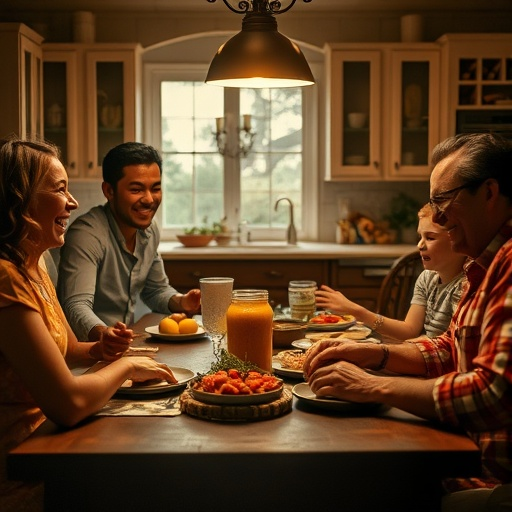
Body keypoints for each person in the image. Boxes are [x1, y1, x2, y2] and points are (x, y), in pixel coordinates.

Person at [304, 132, 512, 511]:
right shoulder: (483, 263)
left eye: (443, 200)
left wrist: (374, 386)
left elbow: (492, 394)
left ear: (489, 192)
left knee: (344, 484)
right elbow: (450, 347)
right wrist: (375, 355)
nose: (440, 216)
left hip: (491, 476)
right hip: (463, 449)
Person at [0, 137, 177, 511]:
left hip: (50, 439)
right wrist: (127, 363)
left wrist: (97, 351)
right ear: (21, 198)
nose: (73, 202)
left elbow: (60, 350)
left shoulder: (34, 264)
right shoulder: (6, 279)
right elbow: (69, 403)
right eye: (61, 190)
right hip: (23, 460)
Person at [57, 142, 201, 343]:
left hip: (125, 347)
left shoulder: (149, 230)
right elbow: (76, 305)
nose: (149, 199)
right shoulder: (87, 234)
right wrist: (105, 334)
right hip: (84, 354)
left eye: (156, 188)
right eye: (136, 189)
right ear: (109, 191)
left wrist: (183, 302)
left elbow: (156, 290)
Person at [315, 203, 467, 340]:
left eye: (430, 238)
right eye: (420, 236)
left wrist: (356, 311)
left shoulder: (465, 285)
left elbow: (447, 347)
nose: (420, 245)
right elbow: (409, 330)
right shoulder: (427, 278)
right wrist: (355, 311)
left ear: (458, 240)